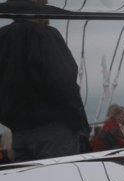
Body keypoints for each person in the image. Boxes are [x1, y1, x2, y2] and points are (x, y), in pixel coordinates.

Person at [0, 0, 89, 162]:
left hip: (19, 132)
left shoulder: (2, 36)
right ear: (40, 10)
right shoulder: (44, 34)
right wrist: (80, 125)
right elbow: (63, 82)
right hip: (54, 131)